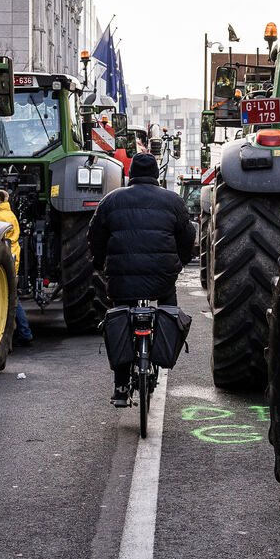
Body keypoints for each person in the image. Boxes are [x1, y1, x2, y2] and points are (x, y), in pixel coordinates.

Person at [88, 151, 195, 405]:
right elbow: (188, 236)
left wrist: (99, 262)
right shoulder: (173, 200)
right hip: (162, 278)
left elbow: (95, 236)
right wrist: (180, 262)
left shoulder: (111, 200)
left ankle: (120, 385)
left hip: (122, 279)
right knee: (168, 308)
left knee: (120, 318)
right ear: (156, 174)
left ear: (131, 173)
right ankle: (162, 352)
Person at [0, 189, 33, 346]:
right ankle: (24, 333)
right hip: (11, 258)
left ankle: (24, 333)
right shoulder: (2, 214)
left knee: (11, 299)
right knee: (12, 298)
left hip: (6, 261)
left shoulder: (0, 217)